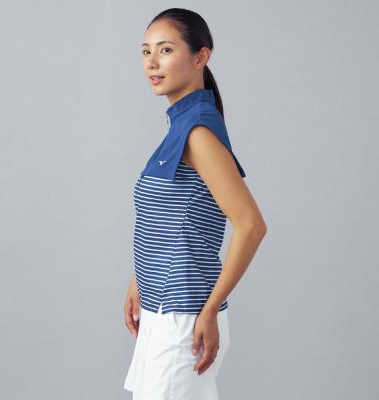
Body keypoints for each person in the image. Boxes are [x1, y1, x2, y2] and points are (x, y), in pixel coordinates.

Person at [123, 8, 267, 400]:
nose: (151, 62)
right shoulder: (182, 124)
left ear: (201, 56)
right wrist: (140, 278)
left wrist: (210, 309)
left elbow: (251, 225)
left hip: (182, 319)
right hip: (161, 311)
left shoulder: (198, 131)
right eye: (146, 51)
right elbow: (168, 219)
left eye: (165, 50)